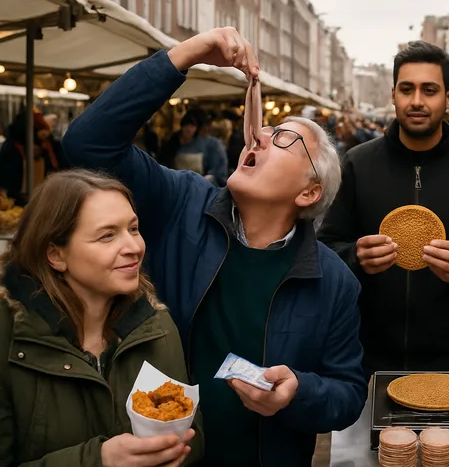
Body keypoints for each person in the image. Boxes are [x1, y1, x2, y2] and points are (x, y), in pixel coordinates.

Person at [61, 27, 367, 465]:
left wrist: (299, 392)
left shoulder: (334, 280)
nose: (260, 135)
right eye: (266, 129)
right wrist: (184, 57)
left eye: (283, 137)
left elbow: (349, 393)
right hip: (162, 455)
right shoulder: (182, 204)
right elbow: (86, 144)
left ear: (309, 193)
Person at [318, 41, 449, 375]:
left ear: (448, 98)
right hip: (365, 359)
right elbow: (325, 251)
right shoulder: (357, 163)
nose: (416, 101)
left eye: (430, 90)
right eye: (407, 89)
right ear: (393, 94)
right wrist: (355, 256)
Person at [0, 169, 203, 466]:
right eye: (107, 236)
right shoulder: (9, 334)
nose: (134, 247)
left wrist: (175, 453)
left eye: (133, 229)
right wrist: (99, 460)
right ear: (56, 255)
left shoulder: (156, 326)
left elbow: (192, 430)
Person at [158, 108, 229, 186]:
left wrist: (206, 180)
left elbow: (219, 173)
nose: (188, 129)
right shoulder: (173, 143)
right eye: (186, 125)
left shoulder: (213, 144)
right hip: (177, 185)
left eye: (192, 126)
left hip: (202, 187)